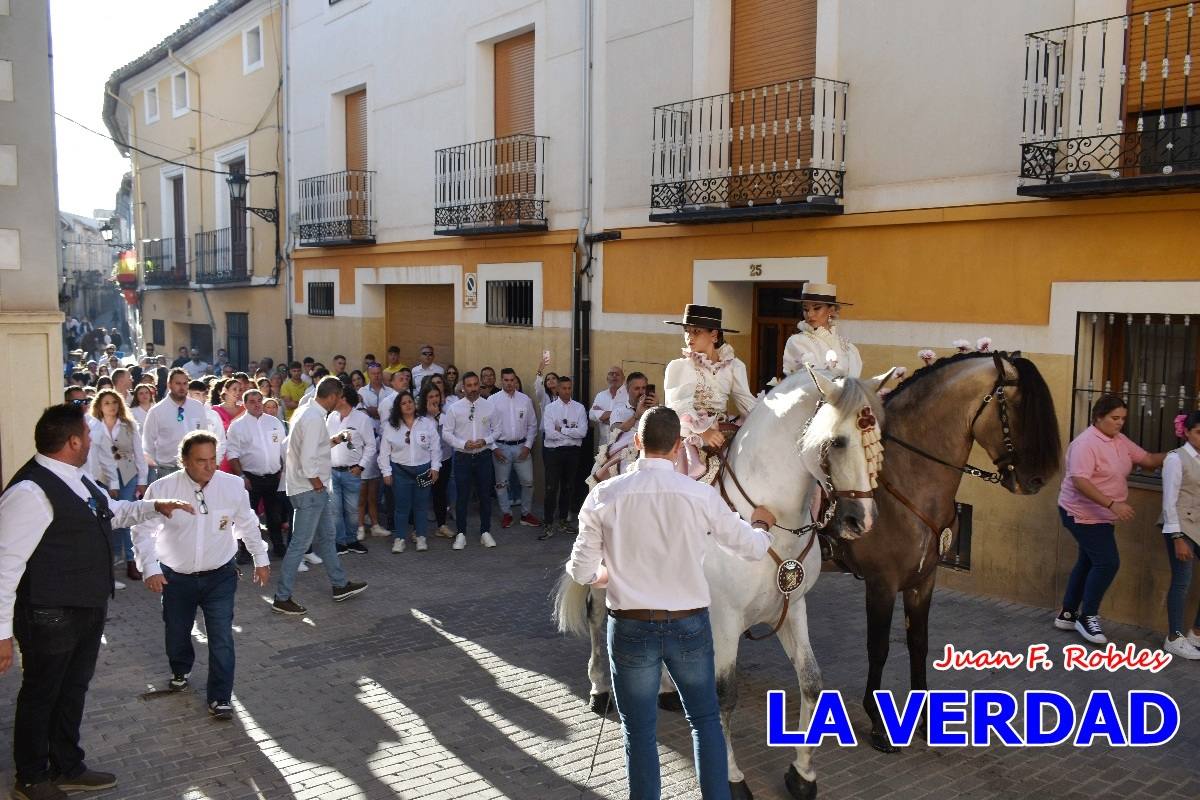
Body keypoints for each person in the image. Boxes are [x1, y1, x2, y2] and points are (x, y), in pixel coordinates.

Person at [566, 406, 775, 799]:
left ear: (638, 443)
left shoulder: (605, 495)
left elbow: (581, 572)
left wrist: (609, 577)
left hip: (629, 626)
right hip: (689, 626)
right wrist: (762, 524)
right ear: (680, 447)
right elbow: (750, 547)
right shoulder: (700, 495)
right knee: (705, 720)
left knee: (639, 733)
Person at [0, 404, 193, 800]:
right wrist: (1, 633)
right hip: (48, 614)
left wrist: (153, 506)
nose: (92, 441)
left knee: (72, 690)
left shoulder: (78, 480)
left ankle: (67, 766)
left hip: (84, 609)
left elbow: (112, 512)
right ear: (73, 442)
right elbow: (5, 566)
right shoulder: (30, 491)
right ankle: (31, 776)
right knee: (41, 694)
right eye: (87, 435)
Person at [132, 431, 269, 721]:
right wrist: (151, 569)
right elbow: (143, 530)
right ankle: (180, 669)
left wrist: (260, 558)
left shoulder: (232, 486)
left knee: (221, 637)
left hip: (220, 575)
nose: (209, 467)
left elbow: (247, 524)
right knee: (176, 631)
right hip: (175, 578)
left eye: (213, 460)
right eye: (201, 461)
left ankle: (220, 698)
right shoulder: (163, 488)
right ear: (183, 461)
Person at [1054, 394, 1167, 645]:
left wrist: (1181, 453)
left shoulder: (1119, 439)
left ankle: (1068, 614)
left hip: (1102, 514)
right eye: (1115, 418)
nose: (1120, 423)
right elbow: (1080, 481)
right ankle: (1088, 616)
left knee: (1088, 560)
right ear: (1098, 417)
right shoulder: (1085, 443)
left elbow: (1147, 460)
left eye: (1123, 419)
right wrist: (1112, 504)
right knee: (1107, 563)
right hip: (1081, 513)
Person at [272, 377, 368, 616]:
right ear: (334, 396)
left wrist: (335, 440)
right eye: (339, 397)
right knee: (300, 544)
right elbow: (307, 461)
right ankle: (282, 597)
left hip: (310, 488)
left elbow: (311, 448)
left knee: (327, 537)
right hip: (309, 489)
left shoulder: (306, 411)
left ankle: (340, 585)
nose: (340, 402)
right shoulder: (314, 418)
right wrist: (317, 485)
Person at [663, 304, 757, 479]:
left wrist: (767, 419)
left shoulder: (734, 366)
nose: (689, 337)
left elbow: (747, 404)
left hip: (724, 432)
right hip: (690, 436)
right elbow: (678, 407)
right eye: (687, 331)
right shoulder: (680, 367)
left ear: (714, 335)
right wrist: (703, 432)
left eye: (696, 331)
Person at [89, 389, 148, 582]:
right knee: (108, 516)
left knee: (126, 514)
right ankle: (113, 557)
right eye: (106, 403)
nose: (111, 406)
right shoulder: (92, 425)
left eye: (114, 402)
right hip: (102, 477)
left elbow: (139, 453)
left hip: (127, 474)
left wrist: (142, 481)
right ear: (99, 406)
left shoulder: (129, 425)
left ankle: (131, 561)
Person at [225, 389, 288, 558]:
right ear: (244, 404)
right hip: (250, 478)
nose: (257, 404)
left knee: (274, 516)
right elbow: (232, 453)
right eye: (252, 401)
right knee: (248, 518)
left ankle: (279, 546)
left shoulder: (274, 422)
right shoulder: (237, 426)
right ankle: (246, 551)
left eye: (259, 400)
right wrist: (242, 477)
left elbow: (283, 448)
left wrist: (283, 470)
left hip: (274, 477)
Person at [1160, 410, 1200, 659]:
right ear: (1186, 432)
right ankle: (1174, 637)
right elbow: (1169, 500)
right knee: (1182, 580)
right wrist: (1177, 538)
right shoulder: (1175, 459)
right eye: (1198, 432)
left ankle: (1196, 632)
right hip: (1181, 526)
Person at [442, 372, 497, 550]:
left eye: (476, 385)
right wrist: (462, 444)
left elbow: (497, 430)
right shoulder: (454, 408)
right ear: (463, 388)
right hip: (462, 457)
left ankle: (485, 532)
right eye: (469, 385)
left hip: (483, 456)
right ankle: (461, 534)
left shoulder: (489, 406)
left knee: (484, 496)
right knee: (462, 497)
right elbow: (447, 433)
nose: (473, 389)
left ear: (479, 386)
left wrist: (485, 441)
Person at [379, 390, 439, 553]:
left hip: (423, 470)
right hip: (400, 472)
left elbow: (435, 448)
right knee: (401, 507)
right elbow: (384, 452)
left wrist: (435, 468)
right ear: (399, 407)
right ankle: (400, 538)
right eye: (404, 403)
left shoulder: (426, 423)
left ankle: (421, 537)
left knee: (421, 506)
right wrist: (386, 472)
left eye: (410, 402)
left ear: (415, 404)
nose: (408, 405)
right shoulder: (391, 427)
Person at [328, 385, 375, 555]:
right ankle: (339, 542)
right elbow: (326, 443)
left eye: (336, 396)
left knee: (352, 509)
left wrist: (361, 466)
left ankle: (352, 540)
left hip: (351, 472)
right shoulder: (331, 417)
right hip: (332, 471)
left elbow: (371, 445)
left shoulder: (362, 419)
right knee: (335, 510)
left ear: (344, 398)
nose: (332, 399)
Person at [491, 368, 540, 529]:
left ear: (515, 381)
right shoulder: (492, 400)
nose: (509, 383)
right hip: (501, 447)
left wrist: (528, 446)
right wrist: (494, 448)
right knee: (501, 484)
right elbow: (486, 428)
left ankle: (526, 514)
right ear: (501, 381)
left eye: (512, 380)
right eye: (506, 380)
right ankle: (506, 514)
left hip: (521, 447)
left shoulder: (525, 400)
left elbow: (532, 425)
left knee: (528, 482)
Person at [781, 282, 862, 379]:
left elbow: (854, 382)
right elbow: (801, 379)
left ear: (831, 310)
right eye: (805, 309)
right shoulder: (797, 342)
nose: (810, 314)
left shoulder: (848, 347)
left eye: (816, 308)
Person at [142, 368, 210, 482]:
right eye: (178, 383)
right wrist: (155, 468)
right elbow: (148, 443)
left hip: (195, 467)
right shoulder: (157, 411)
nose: (182, 387)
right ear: (169, 385)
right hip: (167, 470)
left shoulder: (197, 407)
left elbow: (204, 435)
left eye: (185, 383)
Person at [540, 376, 588, 539]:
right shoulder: (550, 408)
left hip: (572, 453)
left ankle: (562, 521)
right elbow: (550, 433)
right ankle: (548, 524)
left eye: (569, 388)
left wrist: (563, 430)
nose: (567, 391)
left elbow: (582, 432)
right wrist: (570, 434)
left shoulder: (579, 408)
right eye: (564, 388)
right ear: (558, 389)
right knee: (551, 488)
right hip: (553, 453)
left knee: (568, 487)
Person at [590, 372, 654, 485]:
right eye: (637, 388)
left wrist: (656, 409)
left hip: (646, 460)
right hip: (622, 461)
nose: (641, 392)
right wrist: (636, 416)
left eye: (644, 388)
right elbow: (616, 431)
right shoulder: (619, 409)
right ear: (628, 390)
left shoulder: (654, 409)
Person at [421, 385, 456, 539]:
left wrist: (437, 416)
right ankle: (418, 529)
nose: (434, 399)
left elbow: (448, 433)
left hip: (444, 459)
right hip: (424, 462)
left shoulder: (445, 415)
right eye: (430, 397)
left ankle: (441, 525)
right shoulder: (419, 418)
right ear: (424, 399)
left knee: (440, 493)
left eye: (436, 396)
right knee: (421, 495)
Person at [589, 366, 628, 446]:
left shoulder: (629, 395)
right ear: (607, 378)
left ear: (623, 378)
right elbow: (591, 415)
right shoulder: (600, 395)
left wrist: (602, 414)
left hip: (623, 446)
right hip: (604, 445)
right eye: (611, 374)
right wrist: (617, 416)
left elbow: (629, 417)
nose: (614, 376)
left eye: (617, 374)